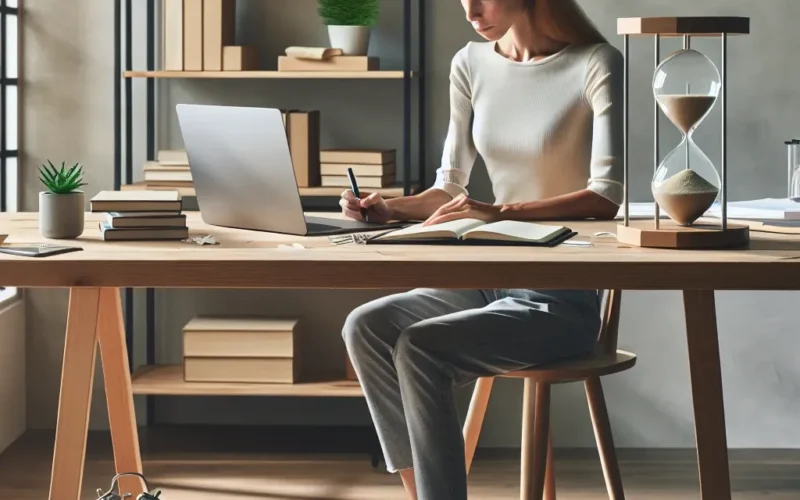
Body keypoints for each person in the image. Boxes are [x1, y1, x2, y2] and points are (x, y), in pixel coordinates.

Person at [339, 0, 623, 498]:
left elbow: (605, 195)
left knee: (421, 348)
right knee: (365, 326)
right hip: (485, 281)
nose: (471, 10)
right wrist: (389, 208)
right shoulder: (469, 63)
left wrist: (501, 213)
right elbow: (449, 187)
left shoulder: (595, 62)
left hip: (561, 299)